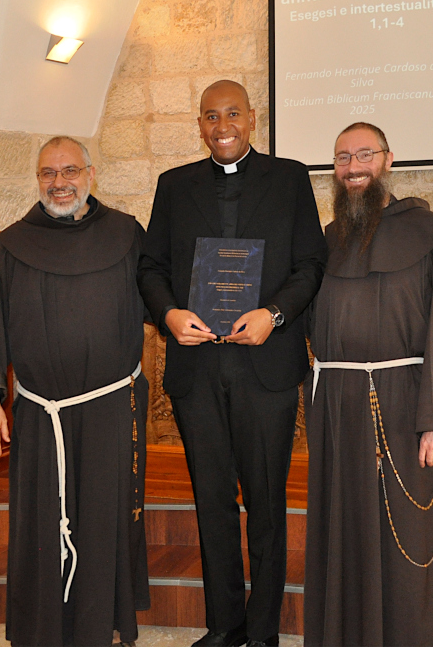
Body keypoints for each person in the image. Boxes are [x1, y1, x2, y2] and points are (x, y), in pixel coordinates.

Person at [138, 80, 326, 647]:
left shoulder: (289, 178)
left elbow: (311, 264)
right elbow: (151, 267)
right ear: (200, 124)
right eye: (211, 116)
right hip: (196, 369)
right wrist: (169, 314)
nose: (223, 126)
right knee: (211, 502)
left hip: (265, 367)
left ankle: (263, 631)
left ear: (252, 118)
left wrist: (275, 314)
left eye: (233, 114)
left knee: (266, 505)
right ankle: (224, 624)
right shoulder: (174, 185)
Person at [0, 136, 150, 647]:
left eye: (70, 171)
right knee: (44, 523)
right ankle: (43, 629)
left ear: (90, 174)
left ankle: (103, 626)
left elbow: (161, 293)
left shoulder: (126, 234)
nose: (59, 182)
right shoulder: (12, 245)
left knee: (105, 520)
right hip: (43, 414)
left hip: (111, 408)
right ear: (38, 179)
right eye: (48, 173)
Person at [303, 122, 433, 647]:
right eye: (342, 158)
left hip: (403, 405)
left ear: (388, 160)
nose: (353, 168)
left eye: (364, 155)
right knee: (345, 528)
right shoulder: (327, 240)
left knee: (406, 534)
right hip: (336, 406)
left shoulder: (429, 236)